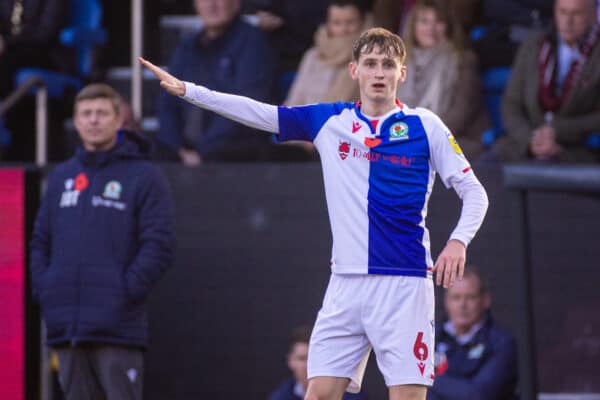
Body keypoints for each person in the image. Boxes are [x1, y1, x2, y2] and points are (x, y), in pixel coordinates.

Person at [141, 26, 489, 400]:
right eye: (370, 64)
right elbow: (262, 114)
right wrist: (189, 91)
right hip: (346, 283)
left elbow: (475, 193)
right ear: (354, 70)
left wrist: (458, 241)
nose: (378, 73)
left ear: (401, 73)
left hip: (403, 283)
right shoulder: (330, 121)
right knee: (318, 394)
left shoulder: (426, 126)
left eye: (388, 65)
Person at [29, 83, 175, 400]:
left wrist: (125, 290)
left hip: (118, 326)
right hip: (66, 325)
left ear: (118, 119)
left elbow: (159, 244)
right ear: (76, 121)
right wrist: (47, 287)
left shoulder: (144, 175)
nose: (93, 120)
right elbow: (40, 241)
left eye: (101, 113)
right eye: (86, 113)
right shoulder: (61, 176)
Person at [158, 0, 277, 166]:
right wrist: (177, 150)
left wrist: (202, 153)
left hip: (234, 157)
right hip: (185, 155)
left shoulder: (253, 43)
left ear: (236, 3)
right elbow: (167, 102)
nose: (212, 5)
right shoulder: (187, 47)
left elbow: (245, 105)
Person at [493, 0, 600, 163]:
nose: (568, 21)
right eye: (563, 12)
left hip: (577, 150)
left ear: (593, 16)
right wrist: (531, 140)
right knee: (479, 168)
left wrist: (558, 130)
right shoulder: (534, 45)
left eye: (576, 14)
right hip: (527, 145)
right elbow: (511, 104)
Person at [397, 0, 490, 160]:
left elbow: (462, 112)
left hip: (455, 138)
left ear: (449, 26)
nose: (431, 29)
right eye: (424, 21)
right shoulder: (400, 63)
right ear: (413, 26)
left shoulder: (463, 60)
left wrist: (423, 137)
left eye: (439, 22)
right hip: (410, 138)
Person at [427, 267, 518, 400]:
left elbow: (479, 394)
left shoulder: (501, 342)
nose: (462, 305)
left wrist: (426, 379)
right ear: (446, 302)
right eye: (456, 298)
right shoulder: (432, 338)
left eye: (470, 297)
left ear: (485, 300)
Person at [284, 0, 370, 106]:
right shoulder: (313, 56)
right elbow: (295, 99)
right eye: (336, 23)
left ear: (362, 22)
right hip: (305, 119)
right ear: (328, 24)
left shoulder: (370, 59)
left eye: (350, 22)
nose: (343, 29)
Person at [269, 325, 368, 400]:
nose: (308, 365)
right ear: (291, 361)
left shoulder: (351, 394)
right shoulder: (280, 396)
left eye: (312, 359)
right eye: (302, 359)